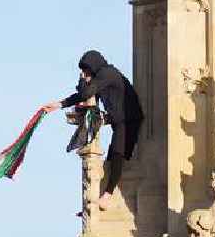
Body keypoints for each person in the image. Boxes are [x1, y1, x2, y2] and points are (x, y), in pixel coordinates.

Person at [43, 50, 144, 210]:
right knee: (112, 159)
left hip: (128, 119)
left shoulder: (107, 73)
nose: (85, 74)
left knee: (118, 155)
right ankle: (98, 197)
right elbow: (82, 96)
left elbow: (86, 93)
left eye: (86, 70)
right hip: (119, 120)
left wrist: (83, 80)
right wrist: (59, 104)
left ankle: (108, 195)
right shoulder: (101, 77)